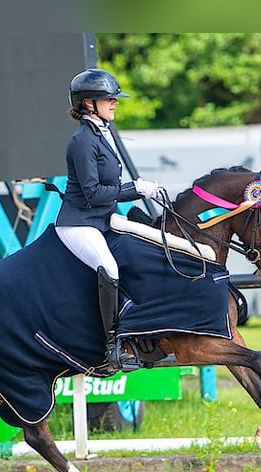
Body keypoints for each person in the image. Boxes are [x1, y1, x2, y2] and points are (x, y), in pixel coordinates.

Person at [55, 68, 162, 371]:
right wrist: (136, 188)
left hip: (102, 220)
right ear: (89, 103)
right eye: (109, 98)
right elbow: (93, 193)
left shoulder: (101, 135)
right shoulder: (82, 142)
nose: (115, 102)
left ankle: (143, 335)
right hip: (79, 223)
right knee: (110, 268)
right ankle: (110, 350)